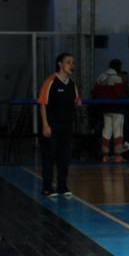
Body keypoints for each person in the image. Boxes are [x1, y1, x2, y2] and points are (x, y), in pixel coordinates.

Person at [37, 52, 80, 198]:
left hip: (67, 126)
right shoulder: (50, 81)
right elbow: (42, 104)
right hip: (52, 125)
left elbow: (76, 101)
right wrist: (45, 125)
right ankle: (47, 187)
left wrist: (78, 103)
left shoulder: (73, 85)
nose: (71, 65)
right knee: (49, 156)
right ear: (60, 64)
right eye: (68, 62)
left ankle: (62, 185)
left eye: (72, 62)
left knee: (64, 156)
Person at [93, 59, 127, 163]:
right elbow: (118, 95)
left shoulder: (100, 77)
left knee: (106, 132)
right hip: (116, 109)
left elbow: (95, 93)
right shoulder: (117, 79)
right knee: (118, 132)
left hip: (105, 109)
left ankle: (105, 156)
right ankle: (118, 156)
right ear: (118, 67)